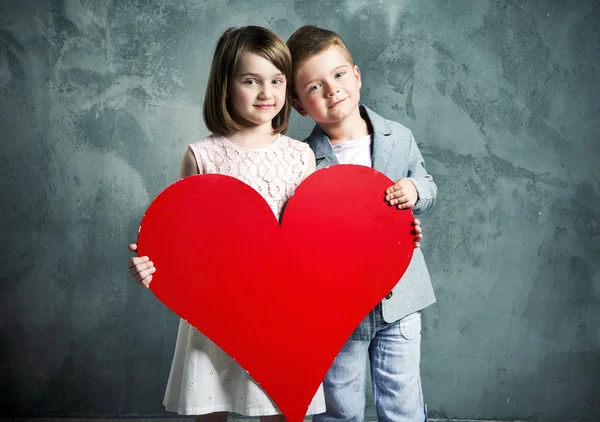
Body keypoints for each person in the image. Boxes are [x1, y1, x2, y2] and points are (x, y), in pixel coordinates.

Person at [128, 26, 327, 422]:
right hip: (215, 306)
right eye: (251, 81)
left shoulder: (300, 156)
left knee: (279, 406)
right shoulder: (201, 156)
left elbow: (307, 236)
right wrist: (151, 265)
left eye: (276, 81)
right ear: (225, 84)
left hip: (277, 307)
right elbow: (179, 239)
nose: (266, 93)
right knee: (211, 402)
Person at [285, 25, 438, 422]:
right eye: (314, 87)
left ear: (356, 75)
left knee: (401, 401)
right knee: (339, 405)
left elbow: (428, 185)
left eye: (338, 75)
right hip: (336, 310)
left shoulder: (398, 137)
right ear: (300, 106)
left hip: (399, 302)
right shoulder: (302, 161)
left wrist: (413, 193)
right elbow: (300, 232)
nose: (332, 90)